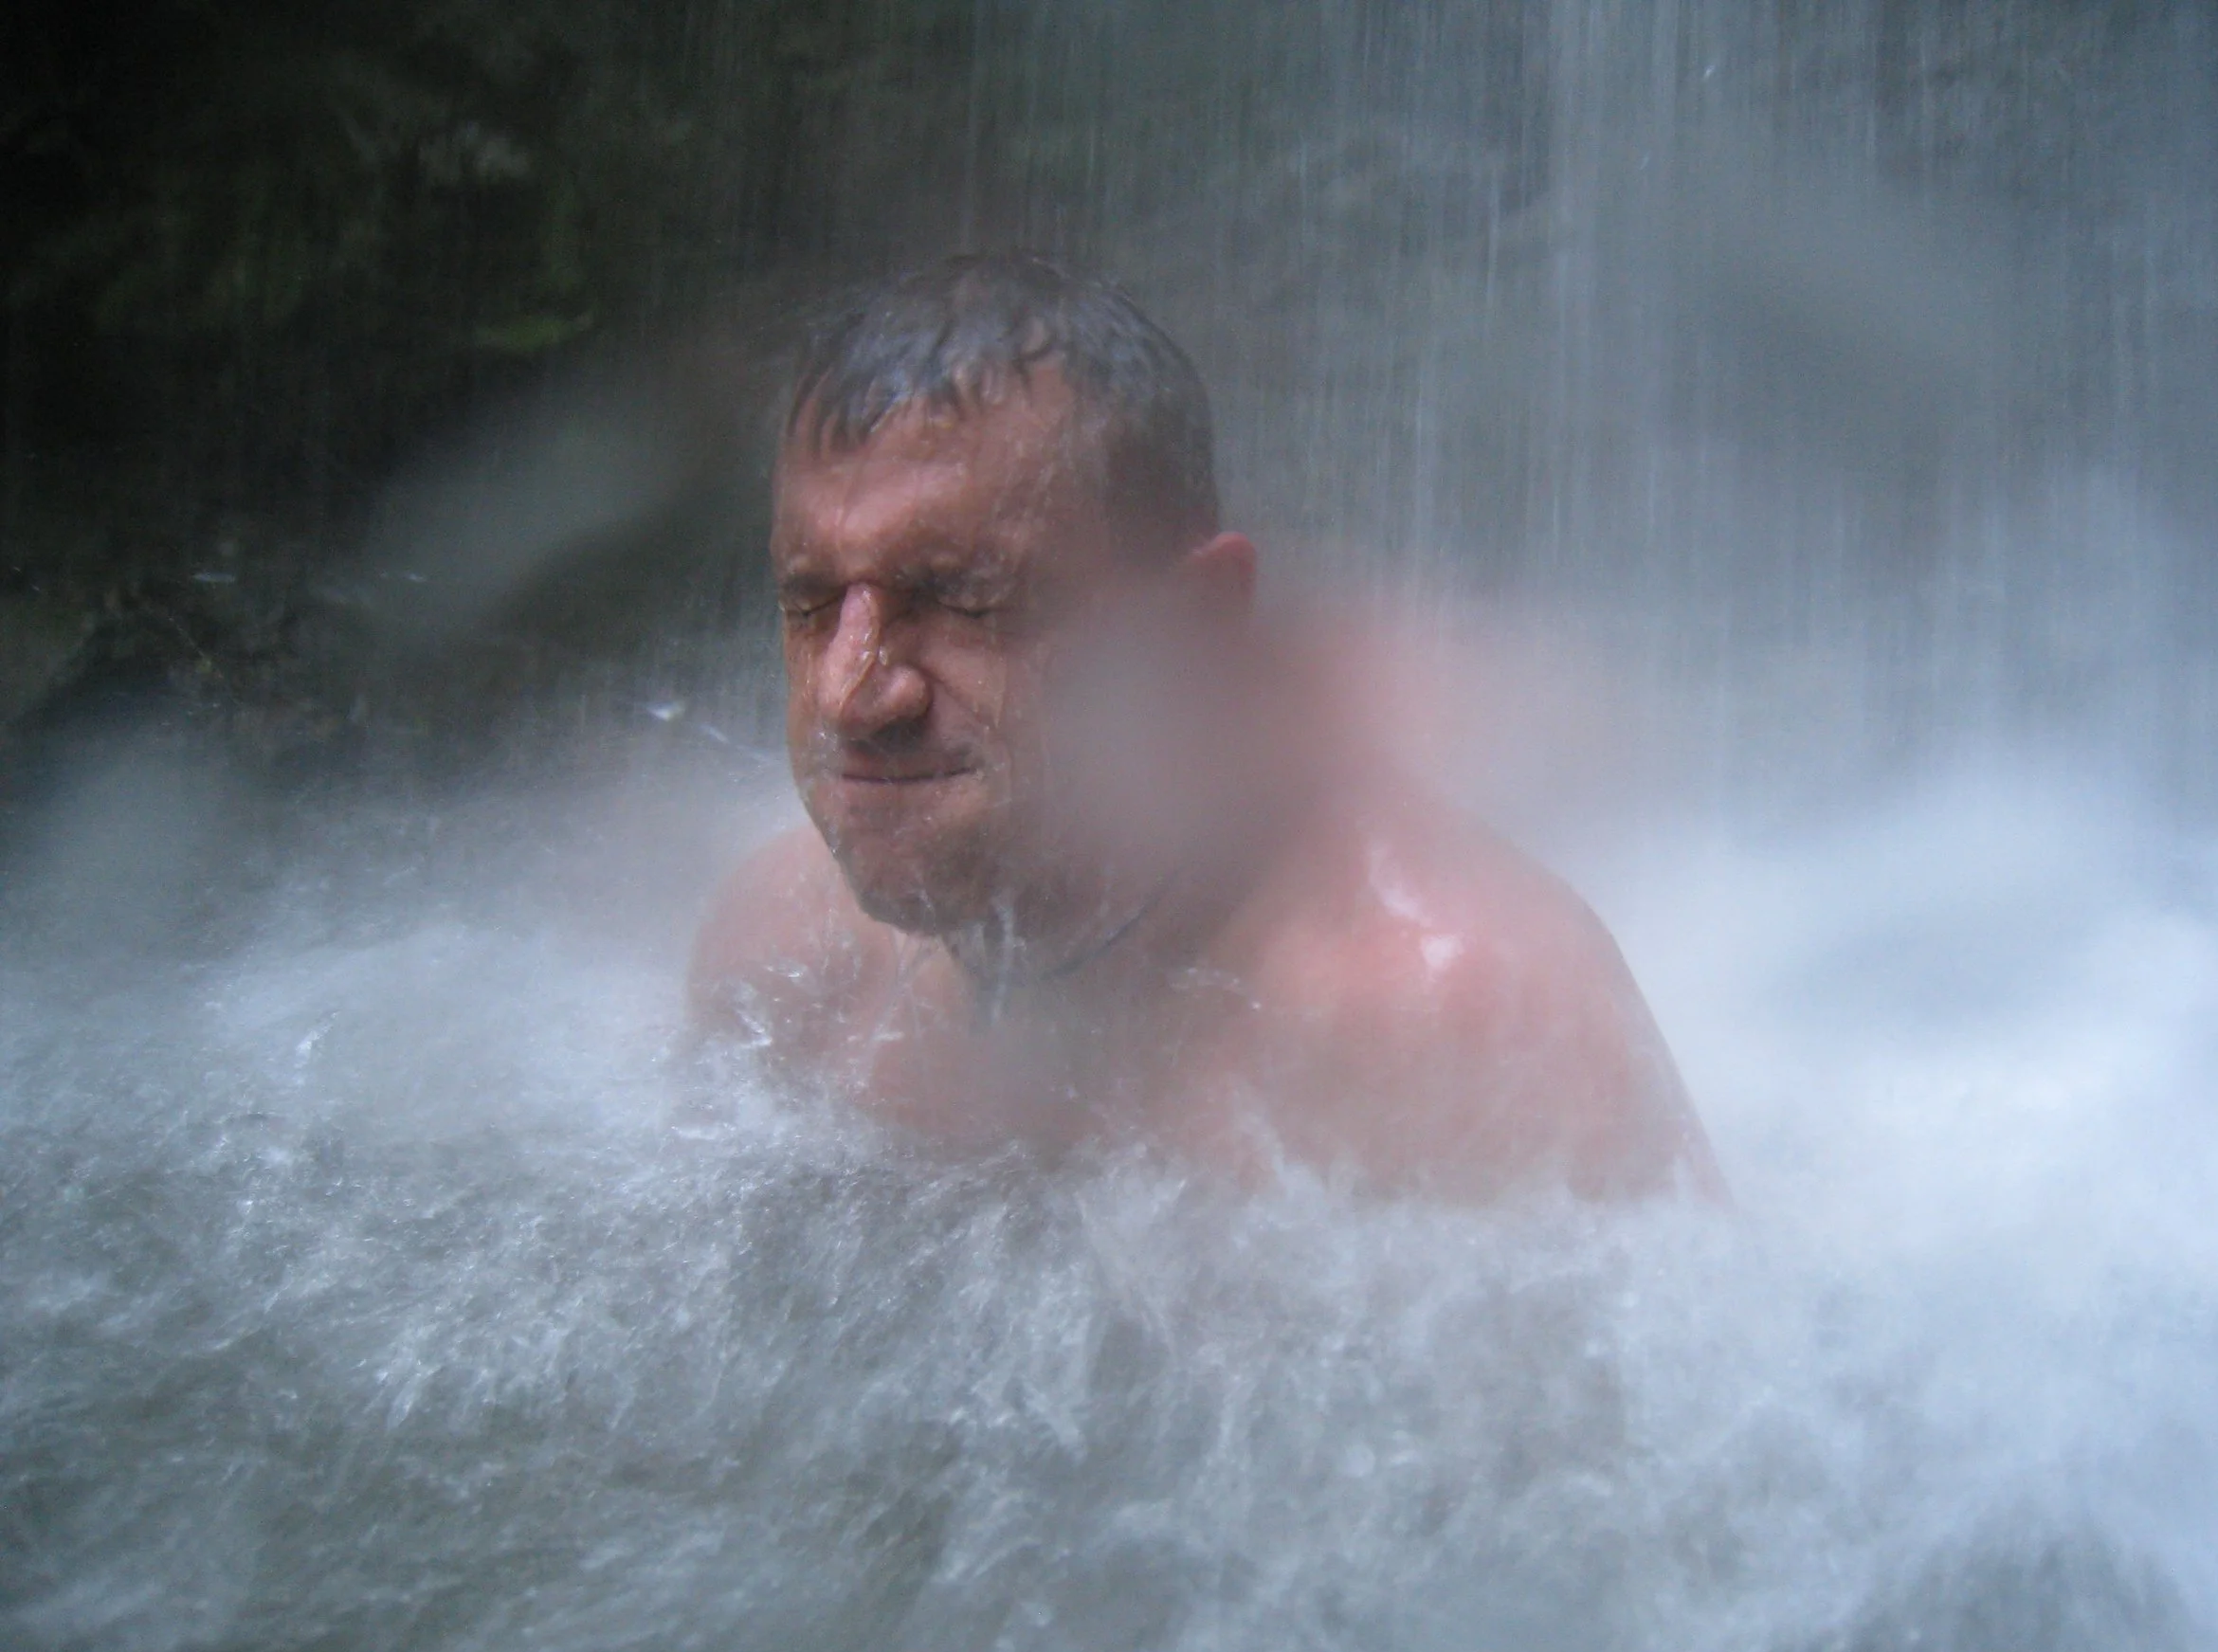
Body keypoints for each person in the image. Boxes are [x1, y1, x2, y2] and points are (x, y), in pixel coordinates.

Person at [690, 253, 1717, 1198]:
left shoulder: (1458, 1032)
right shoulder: (786, 961)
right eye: (809, 601)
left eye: (959, 594)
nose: (850, 697)